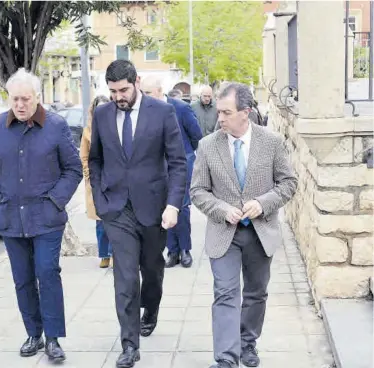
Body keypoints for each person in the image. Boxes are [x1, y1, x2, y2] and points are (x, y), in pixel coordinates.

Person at [0, 68, 83, 363]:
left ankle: (53, 338)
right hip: (10, 217)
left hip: (46, 218)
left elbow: (73, 169)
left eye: (26, 98)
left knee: (47, 273)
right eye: (15, 99)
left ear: (38, 97)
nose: (20, 105)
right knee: (22, 279)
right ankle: (33, 334)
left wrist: (55, 201)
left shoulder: (56, 126)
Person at [190, 82, 297, 368]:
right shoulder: (207, 146)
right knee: (225, 292)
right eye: (218, 111)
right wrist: (222, 209)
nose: (219, 118)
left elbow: (288, 183)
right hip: (223, 232)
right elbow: (198, 191)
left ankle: (247, 342)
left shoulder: (271, 142)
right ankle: (226, 358)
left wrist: (263, 203)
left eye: (226, 112)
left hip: (261, 232)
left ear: (245, 113)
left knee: (255, 292)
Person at [88, 60, 187, 368]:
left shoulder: (162, 112)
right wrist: (100, 198)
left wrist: (173, 205)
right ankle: (130, 344)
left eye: (124, 89)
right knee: (126, 277)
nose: (118, 96)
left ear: (137, 81)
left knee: (152, 271)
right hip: (117, 210)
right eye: (113, 91)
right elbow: (95, 160)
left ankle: (152, 309)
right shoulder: (102, 114)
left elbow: (178, 163)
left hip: (155, 209)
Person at [141, 76, 202, 268]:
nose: (145, 97)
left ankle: (185, 249)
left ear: (160, 90)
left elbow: (196, 136)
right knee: (163, 209)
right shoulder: (145, 111)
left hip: (180, 166)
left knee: (181, 208)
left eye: (148, 93)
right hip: (157, 168)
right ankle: (172, 251)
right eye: (143, 93)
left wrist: (186, 158)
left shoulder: (181, 108)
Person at [79, 95, 112, 268]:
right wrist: (89, 175)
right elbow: (84, 156)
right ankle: (104, 254)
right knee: (101, 221)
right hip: (96, 180)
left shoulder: (116, 125)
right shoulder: (88, 131)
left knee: (115, 218)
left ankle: (116, 253)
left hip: (114, 179)